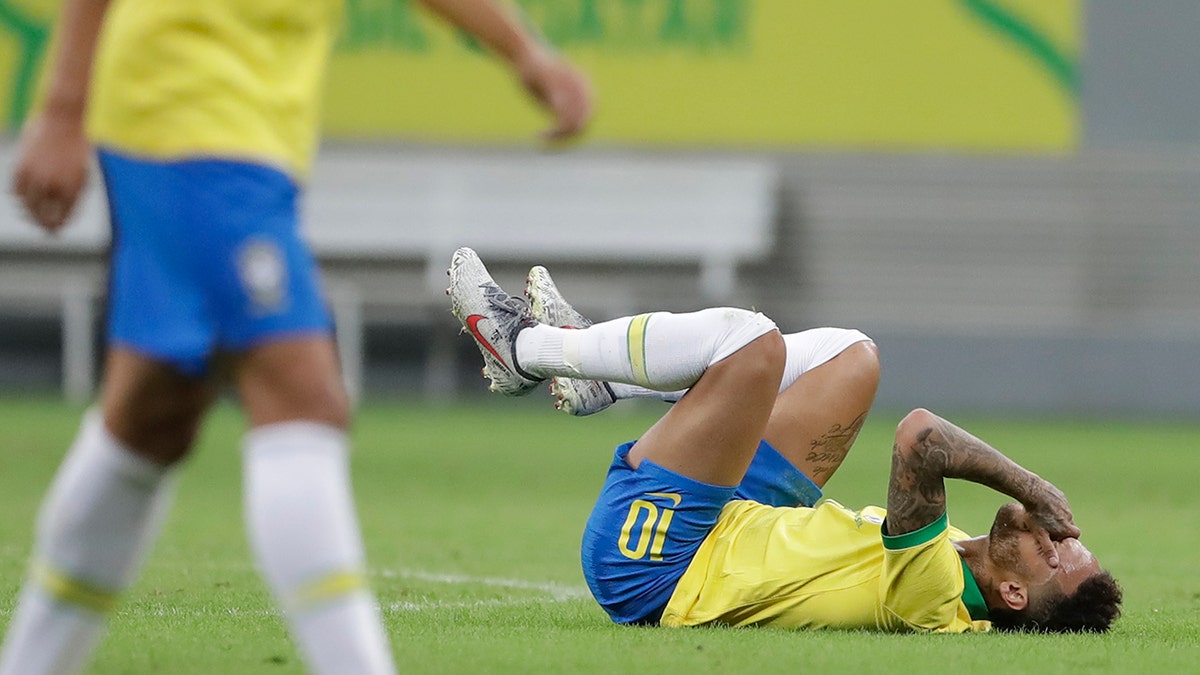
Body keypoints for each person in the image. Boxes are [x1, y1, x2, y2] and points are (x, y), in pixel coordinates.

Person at [1, 2, 591, 674]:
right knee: (304, 397)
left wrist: (525, 53)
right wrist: (63, 109)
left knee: (152, 418)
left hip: (246, 139)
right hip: (188, 113)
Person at [447, 247, 1122, 633]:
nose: (1050, 531)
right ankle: (607, 379)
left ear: (1013, 595)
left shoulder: (937, 592)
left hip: (659, 566)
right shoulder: (965, 554)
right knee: (854, 359)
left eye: (1052, 552)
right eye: (1063, 536)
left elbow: (921, 437)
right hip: (740, 517)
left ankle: (526, 349)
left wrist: (1033, 485)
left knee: (752, 343)